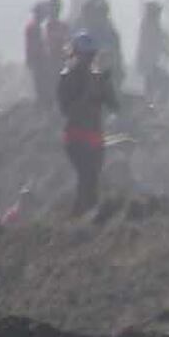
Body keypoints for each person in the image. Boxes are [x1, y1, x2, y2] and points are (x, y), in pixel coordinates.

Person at [55, 32, 117, 216]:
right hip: (76, 136)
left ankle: (83, 215)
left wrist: (106, 85)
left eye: (91, 55)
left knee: (93, 179)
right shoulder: (68, 78)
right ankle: (82, 216)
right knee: (87, 176)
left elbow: (113, 105)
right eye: (85, 55)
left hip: (95, 137)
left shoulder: (97, 77)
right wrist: (87, 92)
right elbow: (67, 110)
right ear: (75, 54)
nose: (89, 59)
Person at [135, 1, 169, 109]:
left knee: (152, 88)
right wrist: (167, 48)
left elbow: (162, 36)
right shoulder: (149, 25)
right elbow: (155, 42)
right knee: (166, 82)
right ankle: (158, 107)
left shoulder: (151, 24)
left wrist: (168, 45)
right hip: (149, 64)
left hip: (150, 63)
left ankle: (151, 107)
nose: (159, 15)